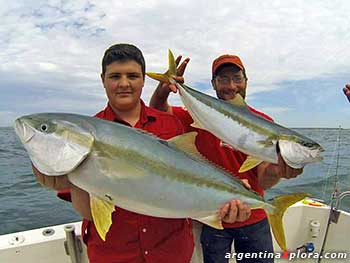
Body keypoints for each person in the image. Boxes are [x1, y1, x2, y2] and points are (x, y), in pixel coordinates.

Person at [32, 44, 250, 263]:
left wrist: (231, 190)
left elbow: (194, 174)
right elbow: (89, 212)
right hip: (114, 255)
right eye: (115, 76)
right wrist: (74, 177)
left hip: (173, 253)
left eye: (133, 76)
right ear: (103, 79)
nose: (124, 83)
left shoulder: (171, 124)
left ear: (143, 80)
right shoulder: (87, 131)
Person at [150, 53, 303, 263]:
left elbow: (263, 180)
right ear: (213, 84)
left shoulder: (265, 123)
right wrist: (164, 88)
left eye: (237, 78)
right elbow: (157, 112)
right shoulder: (196, 117)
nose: (231, 86)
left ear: (246, 81)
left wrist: (280, 169)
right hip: (211, 217)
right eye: (223, 79)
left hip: (253, 216)